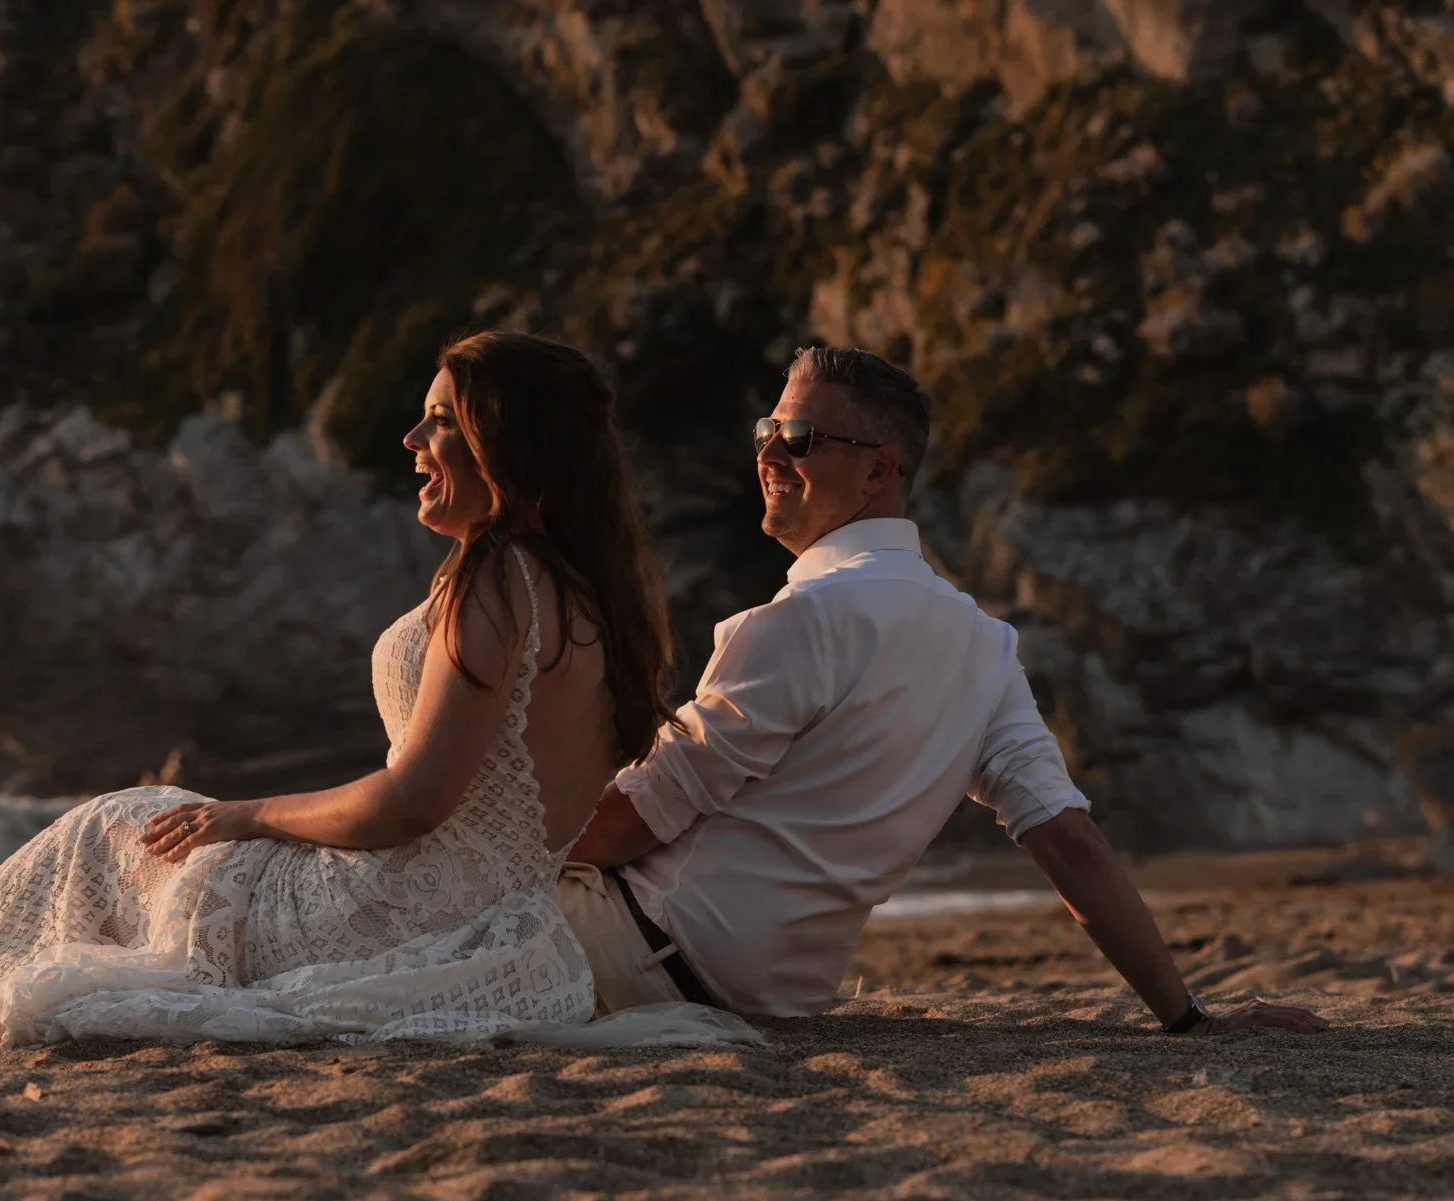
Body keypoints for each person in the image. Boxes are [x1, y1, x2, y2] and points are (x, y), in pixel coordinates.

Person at [0, 331, 740, 1050]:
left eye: (442, 419)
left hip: (389, 915)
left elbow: (411, 805)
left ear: (512, 443)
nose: (412, 438)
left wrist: (246, 815)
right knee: (148, 830)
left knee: (115, 827)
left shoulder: (496, 576)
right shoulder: (601, 603)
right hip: (497, 928)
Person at [563, 345, 1327, 1038]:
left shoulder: (799, 622)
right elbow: (1067, 839)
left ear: (878, 470)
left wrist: (508, 858)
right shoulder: (985, 646)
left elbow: (637, 820)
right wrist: (1188, 1016)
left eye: (799, 438)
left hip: (647, 956)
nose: (769, 451)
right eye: (768, 429)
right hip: (771, 1001)